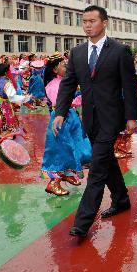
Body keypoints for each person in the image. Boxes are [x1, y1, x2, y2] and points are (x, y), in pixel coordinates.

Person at [54, 5, 137, 237]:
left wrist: (132, 117)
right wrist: (60, 111)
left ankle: (82, 222)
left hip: (112, 117)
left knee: (98, 167)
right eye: (85, 21)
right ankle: (121, 199)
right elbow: (69, 84)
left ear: (104, 22)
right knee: (107, 160)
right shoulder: (78, 52)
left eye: (92, 20)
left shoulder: (120, 51)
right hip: (89, 119)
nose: (88, 25)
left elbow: (129, 86)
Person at [41, 53, 92, 196]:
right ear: (55, 70)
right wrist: (81, 99)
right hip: (60, 119)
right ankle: (53, 183)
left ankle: (68, 173)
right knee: (60, 151)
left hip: (71, 118)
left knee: (77, 146)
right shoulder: (53, 85)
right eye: (64, 66)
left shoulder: (64, 81)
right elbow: (60, 103)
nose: (68, 68)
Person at [0, 63, 30, 137]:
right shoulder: (7, 83)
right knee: (9, 125)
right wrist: (25, 98)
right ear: (6, 72)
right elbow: (13, 97)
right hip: (5, 106)